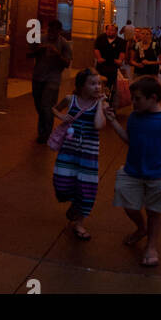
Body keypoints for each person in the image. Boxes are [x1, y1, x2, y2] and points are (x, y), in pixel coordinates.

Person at [103, 76, 161, 267]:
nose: (133, 102)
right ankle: (141, 228)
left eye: (137, 98)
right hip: (133, 170)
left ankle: (151, 246)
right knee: (129, 206)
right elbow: (130, 140)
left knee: (154, 212)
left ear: (153, 98)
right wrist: (113, 122)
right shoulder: (135, 117)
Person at [50, 68, 107, 240]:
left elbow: (98, 125)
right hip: (68, 151)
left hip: (89, 155)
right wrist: (61, 116)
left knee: (87, 188)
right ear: (82, 86)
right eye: (93, 84)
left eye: (99, 84)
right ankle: (75, 205)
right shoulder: (71, 99)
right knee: (61, 183)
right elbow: (54, 109)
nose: (97, 87)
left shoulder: (101, 104)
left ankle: (80, 223)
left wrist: (100, 105)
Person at [32, 18, 72, 143]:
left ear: (59, 31)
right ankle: (44, 128)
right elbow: (29, 53)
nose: (51, 34)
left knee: (46, 106)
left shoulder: (64, 44)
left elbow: (67, 63)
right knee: (39, 105)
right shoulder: (40, 39)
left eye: (55, 31)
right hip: (38, 76)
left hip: (53, 78)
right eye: (50, 31)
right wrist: (39, 50)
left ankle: (45, 133)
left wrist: (57, 54)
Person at [93, 22, 125, 105]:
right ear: (106, 30)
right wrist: (99, 58)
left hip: (113, 66)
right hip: (101, 65)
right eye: (109, 30)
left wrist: (120, 60)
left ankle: (108, 101)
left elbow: (122, 52)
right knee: (99, 82)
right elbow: (96, 49)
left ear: (116, 31)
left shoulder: (120, 41)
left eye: (113, 30)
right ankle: (97, 100)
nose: (110, 32)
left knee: (111, 84)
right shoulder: (101, 38)